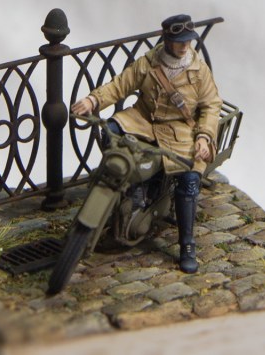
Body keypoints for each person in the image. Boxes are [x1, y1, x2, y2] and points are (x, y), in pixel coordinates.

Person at [71, 14, 222, 273]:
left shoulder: (199, 71)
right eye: (179, 41)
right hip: (142, 120)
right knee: (111, 131)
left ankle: (187, 243)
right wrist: (93, 100)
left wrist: (204, 137)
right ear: (167, 40)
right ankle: (131, 187)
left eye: (188, 40)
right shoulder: (148, 62)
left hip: (179, 130)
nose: (185, 46)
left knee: (189, 179)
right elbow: (120, 85)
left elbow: (211, 106)